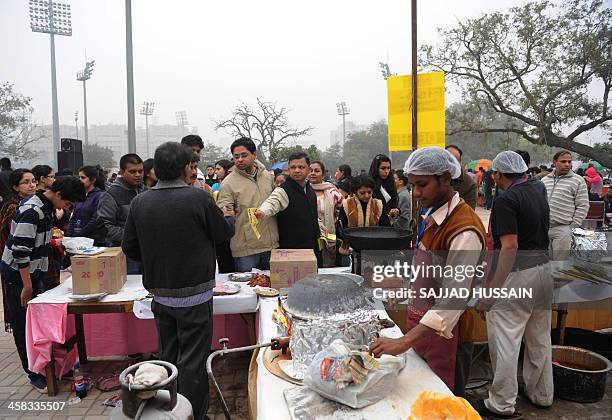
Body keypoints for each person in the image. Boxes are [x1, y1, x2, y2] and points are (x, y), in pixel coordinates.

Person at [122, 142, 234, 420]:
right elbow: (222, 234)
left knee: (168, 355)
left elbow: (130, 248)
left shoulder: (141, 201)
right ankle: (192, 413)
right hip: (195, 294)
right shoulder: (198, 198)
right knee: (193, 360)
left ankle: (166, 408)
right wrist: (230, 219)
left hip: (161, 294)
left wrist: (156, 258)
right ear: (186, 168)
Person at [370, 147, 485, 396]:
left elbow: (453, 300)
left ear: (445, 178)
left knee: (441, 402)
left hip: (448, 340)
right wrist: (405, 280)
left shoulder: (464, 230)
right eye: (412, 185)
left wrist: (403, 342)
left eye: (422, 184)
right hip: (421, 330)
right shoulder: (432, 214)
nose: (416, 192)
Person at [474, 151, 553, 419]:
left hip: (520, 274)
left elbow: (509, 246)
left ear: (497, 174)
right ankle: (542, 394)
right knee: (539, 336)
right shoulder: (538, 187)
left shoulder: (506, 199)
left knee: (506, 338)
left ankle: (502, 403)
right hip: (544, 270)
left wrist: (493, 289)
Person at [2, 176, 85, 392]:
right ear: (58, 195)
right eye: (67, 203)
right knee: (23, 326)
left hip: (35, 272)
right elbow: (20, 251)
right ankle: (34, 373)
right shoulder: (32, 210)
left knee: (39, 323)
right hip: (18, 276)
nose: (66, 208)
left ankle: (48, 366)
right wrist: (27, 286)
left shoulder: (47, 209)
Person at [217, 137, 278, 271]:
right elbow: (224, 213)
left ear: (254, 155)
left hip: (270, 245)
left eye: (244, 155)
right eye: (236, 156)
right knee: (248, 288)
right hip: (245, 250)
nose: (240, 160)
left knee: (273, 288)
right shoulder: (228, 183)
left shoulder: (267, 177)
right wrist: (227, 213)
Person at [256, 152, 322, 266]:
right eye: (293, 167)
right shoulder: (283, 190)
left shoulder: (309, 189)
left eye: (301, 167)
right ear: (288, 169)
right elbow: (272, 202)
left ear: (308, 169)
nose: (296, 170)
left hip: (312, 250)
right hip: (291, 253)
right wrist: (262, 211)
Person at [0, 169, 37, 332]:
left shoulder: (31, 204)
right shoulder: (14, 208)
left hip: (29, 264)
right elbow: (18, 241)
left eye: (33, 181)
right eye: (26, 182)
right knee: (21, 312)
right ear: (15, 187)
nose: (32, 185)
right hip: (16, 265)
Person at [97, 154, 144, 274]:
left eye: (140, 171)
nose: (138, 175)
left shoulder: (145, 191)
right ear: (122, 172)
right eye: (133, 171)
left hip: (146, 252)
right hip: (125, 253)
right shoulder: (112, 194)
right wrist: (132, 236)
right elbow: (104, 226)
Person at [541, 151, 589, 260]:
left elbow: (583, 205)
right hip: (543, 228)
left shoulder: (578, 180)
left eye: (569, 161)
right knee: (544, 264)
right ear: (554, 162)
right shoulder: (544, 180)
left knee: (559, 267)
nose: (567, 164)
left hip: (563, 228)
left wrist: (572, 226)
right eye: (563, 161)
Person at [309, 160, 343, 267]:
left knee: (327, 264)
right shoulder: (303, 190)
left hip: (329, 233)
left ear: (323, 174)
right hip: (310, 235)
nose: (313, 173)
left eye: (317, 171)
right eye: (310, 170)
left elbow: (341, 209)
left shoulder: (332, 191)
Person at [65, 166, 105, 244]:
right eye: (79, 177)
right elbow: (74, 218)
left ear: (93, 180)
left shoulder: (100, 196)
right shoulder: (80, 195)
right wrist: (68, 236)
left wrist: (78, 235)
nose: (80, 180)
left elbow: (95, 220)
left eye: (83, 177)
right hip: (77, 240)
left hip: (94, 240)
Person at [445, 145, 477, 209]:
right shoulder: (435, 177)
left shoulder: (469, 184)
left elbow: (469, 212)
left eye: (453, 161)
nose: (449, 165)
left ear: (459, 162)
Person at [368, 154, 400, 219]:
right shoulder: (369, 185)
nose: (386, 171)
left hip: (388, 225)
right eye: (383, 168)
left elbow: (393, 205)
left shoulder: (390, 184)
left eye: (388, 168)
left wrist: (397, 210)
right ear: (376, 169)